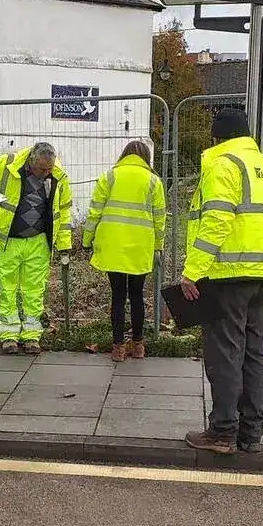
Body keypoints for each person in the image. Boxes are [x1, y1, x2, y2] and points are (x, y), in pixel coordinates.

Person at [179, 110, 263, 455]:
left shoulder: (223, 167)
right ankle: (251, 433)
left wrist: (193, 270)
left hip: (229, 276)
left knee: (225, 354)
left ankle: (222, 432)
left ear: (216, 138)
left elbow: (216, 221)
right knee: (254, 354)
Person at [0, 141, 73, 354]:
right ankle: (8, 335)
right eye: (42, 169)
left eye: (49, 169)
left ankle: (31, 336)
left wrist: (64, 245)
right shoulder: (5, 165)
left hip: (39, 241)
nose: (46, 174)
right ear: (31, 161)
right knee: (6, 288)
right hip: (8, 239)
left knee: (34, 290)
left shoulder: (58, 175)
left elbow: (63, 212)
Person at [82, 139, 165, 362]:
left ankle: (117, 348)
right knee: (137, 296)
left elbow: (95, 212)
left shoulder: (109, 176)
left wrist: (86, 240)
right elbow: (160, 218)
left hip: (112, 244)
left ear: (124, 155)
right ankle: (138, 346)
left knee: (118, 296)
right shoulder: (153, 181)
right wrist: (159, 246)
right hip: (140, 245)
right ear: (146, 157)